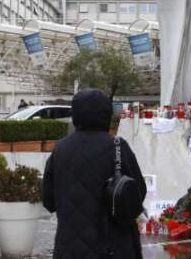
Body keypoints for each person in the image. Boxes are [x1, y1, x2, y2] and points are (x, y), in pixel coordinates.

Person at [43, 89, 147, 258]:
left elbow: (49, 201)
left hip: (70, 248)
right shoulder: (118, 146)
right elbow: (138, 192)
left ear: (75, 115)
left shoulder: (60, 149)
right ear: (106, 114)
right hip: (114, 246)